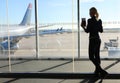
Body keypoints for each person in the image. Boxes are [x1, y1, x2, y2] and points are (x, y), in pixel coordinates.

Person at [81, 7, 108, 77]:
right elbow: (101, 31)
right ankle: (97, 72)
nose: (89, 13)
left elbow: (87, 31)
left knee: (91, 56)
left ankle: (101, 70)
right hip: (98, 40)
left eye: (90, 12)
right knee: (97, 56)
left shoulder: (89, 20)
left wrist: (83, 26)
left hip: (92, 40)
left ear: (92, 13)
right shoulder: (99, 20)